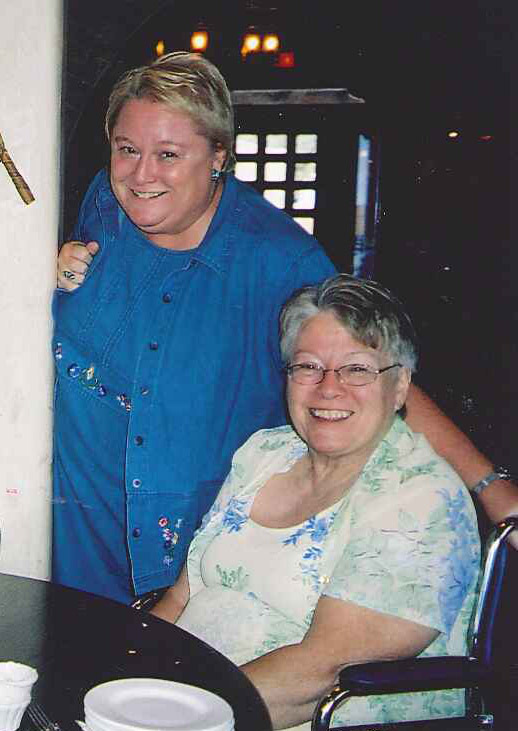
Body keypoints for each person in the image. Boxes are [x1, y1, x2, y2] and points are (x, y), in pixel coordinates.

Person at [54, 51, 518, 606]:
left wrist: (491, 489)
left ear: (220, 155)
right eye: (126, 149)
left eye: (169, 154)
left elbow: (372, 376)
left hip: (190, 561)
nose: (141, 174)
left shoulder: (279, 261)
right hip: (72, 537)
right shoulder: (101, 203)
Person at [151, 274, 481, 730]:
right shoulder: (265, 453)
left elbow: (322, 673)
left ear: (401, 386)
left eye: (357, 369)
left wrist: (178, 717)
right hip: (195, 699)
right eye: (307, 367)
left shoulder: (421, 499)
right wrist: (125, 681)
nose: (328, 388)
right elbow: (180, 596)